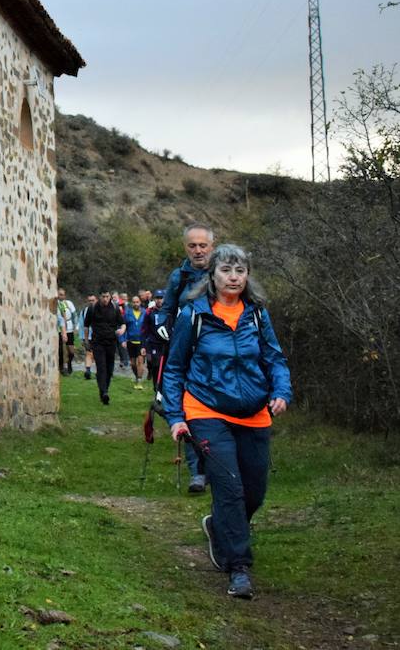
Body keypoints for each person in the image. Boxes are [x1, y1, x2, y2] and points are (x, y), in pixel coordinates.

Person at [162, 244, 291, 600]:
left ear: (247, 276)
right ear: (213, 276)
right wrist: (176, 416)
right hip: (206, 411)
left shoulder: (257, 315)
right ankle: (238, 568)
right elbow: (174, 368)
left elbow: (275, 359)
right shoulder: (195, 315)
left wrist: (281, 391)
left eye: (240, 271)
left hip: (254, 413)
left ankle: (219, 527)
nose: (233, 278)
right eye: (226, 271)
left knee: (255, 492)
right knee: (230, 488)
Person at [156, 223, 216, 493]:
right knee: (190, 410)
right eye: (193, 245)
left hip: (220, 354)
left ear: (211, 247)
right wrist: (163, 325)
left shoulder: (223, 272)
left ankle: (222, 465)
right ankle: (198, 472)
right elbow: (166, 308)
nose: (198, 250)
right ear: (185, 248)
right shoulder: (178, 277)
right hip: (188, 354)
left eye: (203, 245)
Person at [83, 290, 125, 405]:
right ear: (99, 297)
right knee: (101, 367)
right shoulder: (92, 308)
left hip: (111, 342)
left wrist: (122, 330)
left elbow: (122, 323)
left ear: (110, 297)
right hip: (97, 342)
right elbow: (86, 326)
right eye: (103, 297)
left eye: (107, 296)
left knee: (109, 369)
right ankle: (105, 392)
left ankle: (104, 390)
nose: (105, 299)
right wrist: (86, 341)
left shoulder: (115, 308)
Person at [123, 292, 148, 389]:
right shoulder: (127, 313)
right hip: (131, 341)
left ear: (140, 302)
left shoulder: (145, 313)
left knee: (140, 362)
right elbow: (123, 326)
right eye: (134, 302)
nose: (136, 304)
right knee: (133, 363)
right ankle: (137, 377)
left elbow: (148, 327)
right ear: (131, 303)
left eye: (137, 302)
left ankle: (139, 382)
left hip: (142, 342)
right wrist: (123, 340)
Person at [56, 289, 78, 375]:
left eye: (62, 295)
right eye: (59, 294)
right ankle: (62, 368)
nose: (61, 296)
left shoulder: (69, 303)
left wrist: (76, 326)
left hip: (69, 327)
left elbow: (74, 315)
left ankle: (69, 363)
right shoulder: (56, 304)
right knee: (61, 349)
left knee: (71, 351)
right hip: (59, 329)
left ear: (65, 296)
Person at [78, 293, 97, 380]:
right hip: (88, 336)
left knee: (97, 354)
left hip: (98, 336)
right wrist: (82, 338)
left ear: (96, 300)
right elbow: (82, 325)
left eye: (93, 300)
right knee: (89, 353)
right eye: (89, 301)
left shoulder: (101, 311)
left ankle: (98, 371)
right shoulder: (83, 312)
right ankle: (88, 371)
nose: (91, 302)